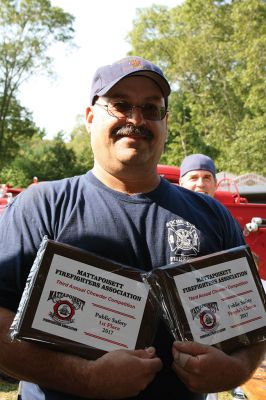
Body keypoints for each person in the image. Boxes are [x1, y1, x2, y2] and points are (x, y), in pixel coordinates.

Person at [0, 56, 265, 400]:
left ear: (165, 122)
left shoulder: (212, 215)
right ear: (91, 117)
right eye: (120, 105)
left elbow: (253, 325)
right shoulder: (41, 206)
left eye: (151, 109)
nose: (136, 120)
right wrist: (86, 378)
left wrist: (235, 369)